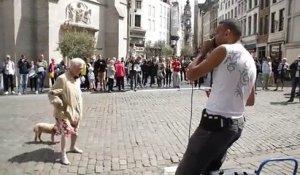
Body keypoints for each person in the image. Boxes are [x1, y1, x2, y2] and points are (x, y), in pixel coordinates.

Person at [175, 19, 256, 175]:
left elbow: (191, 74)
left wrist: (203, 51)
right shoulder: (250, 57)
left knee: (186, 171)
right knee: (209, 171)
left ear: (227, 33)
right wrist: (220, 93)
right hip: (235, 125)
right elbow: (250, 100)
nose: (213, 38)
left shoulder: (224, 49)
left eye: (216, 33)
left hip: (214, 126)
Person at [48, 58, 85, 165]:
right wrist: (58, 102)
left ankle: (73, 147)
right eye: (79, 69)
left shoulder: (77, 78)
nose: (81, 71)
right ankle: (63, 155)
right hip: (63, 112)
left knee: (75, 130)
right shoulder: (62, 79)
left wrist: (80, 108)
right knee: (65, 133)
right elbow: (51, 94)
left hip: (76, 110)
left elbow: (78, 94)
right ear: (72, 68)